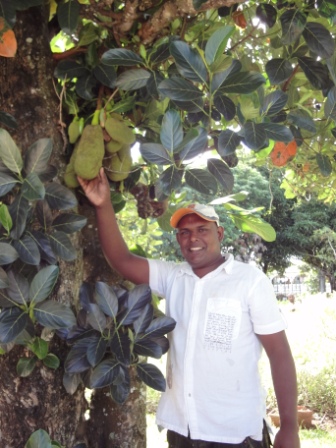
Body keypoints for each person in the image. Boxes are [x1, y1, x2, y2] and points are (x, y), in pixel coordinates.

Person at [78, 168, 301, 448]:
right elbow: (121, 260)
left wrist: (290, 426)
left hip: (234, 434)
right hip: (182, 431)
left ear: (219, 233)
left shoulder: (249, 281)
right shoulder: (174, 277)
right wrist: (104, 204)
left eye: (201, 230)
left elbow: (279, 354)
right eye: (184, 232)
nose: (192, 238)